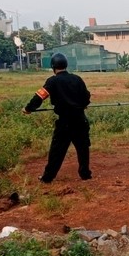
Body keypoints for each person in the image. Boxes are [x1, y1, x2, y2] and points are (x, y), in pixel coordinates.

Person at [22, 53, 92, 183]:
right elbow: (86, 97)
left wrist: (28, 109)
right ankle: (85, 175)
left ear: (53, 67)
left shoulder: (52, 81)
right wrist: (82, 105)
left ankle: (47, 178)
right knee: (83, 148)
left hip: (65, 122)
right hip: (80, 120)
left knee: (57, 151)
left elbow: (39, 97)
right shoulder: (77, 79)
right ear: (66, 65)